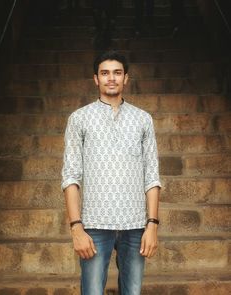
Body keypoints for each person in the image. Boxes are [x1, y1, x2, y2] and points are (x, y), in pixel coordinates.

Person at [61, 50, 161, 294]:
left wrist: (152, 225)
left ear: (126, 78)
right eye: (105, 73)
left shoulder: (142, 119)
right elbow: (70, 176)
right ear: (96, 79)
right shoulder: (80, 118)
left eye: (117, 73)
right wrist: (76, 228)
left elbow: (152, 175)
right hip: (95, 224)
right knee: (93, 291)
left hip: (136, 224)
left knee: (133, 291)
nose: (111, 78)